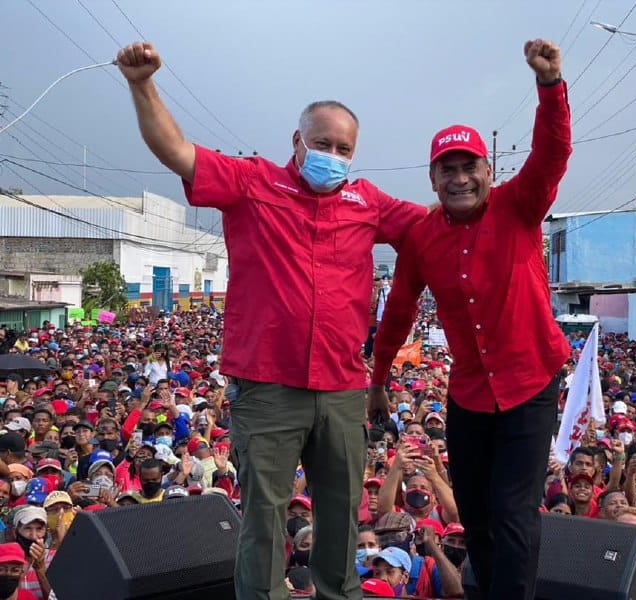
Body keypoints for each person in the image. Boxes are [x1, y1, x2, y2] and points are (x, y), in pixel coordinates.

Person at [116, 41, 426, 600]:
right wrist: (142, 84)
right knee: (264, 513)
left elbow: (434, 226)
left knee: (341, 511)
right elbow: (176, 151)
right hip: (268, 386)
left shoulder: (368, 201)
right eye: (322, 143)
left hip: (341, 388)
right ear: (297, 142)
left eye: (344, 147)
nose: (333, 153)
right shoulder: (252, 181)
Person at [370, 38, 570, 599]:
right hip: (471, 393)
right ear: (432, 179)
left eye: (469, 167)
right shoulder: (421, 240)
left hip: (531, 381)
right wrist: (380, 378)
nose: (459, 178)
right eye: (447, 169)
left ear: (488, 170)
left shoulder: (519, 206)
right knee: (477, 515)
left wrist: (550, 86)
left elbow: (552, 154)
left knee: (513, 512)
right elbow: (399, 311)